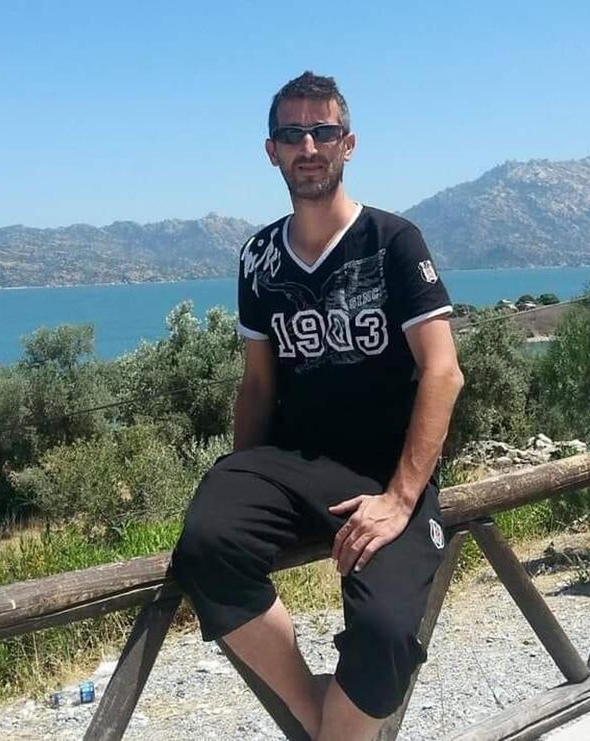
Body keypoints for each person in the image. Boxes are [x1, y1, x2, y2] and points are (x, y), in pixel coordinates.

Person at [172, 71, 464, 741]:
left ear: (347, 144)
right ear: (271, 150)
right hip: (290, 463)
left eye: (323, 130)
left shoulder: (393, 242)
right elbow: (256, 386)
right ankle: (316, 715)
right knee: (206, 544)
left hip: (385, 473)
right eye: (291, 133)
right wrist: (245, 486)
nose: (308, 145)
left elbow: (443, 372)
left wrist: (400, 498)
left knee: (386, 631)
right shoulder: (258, 257)